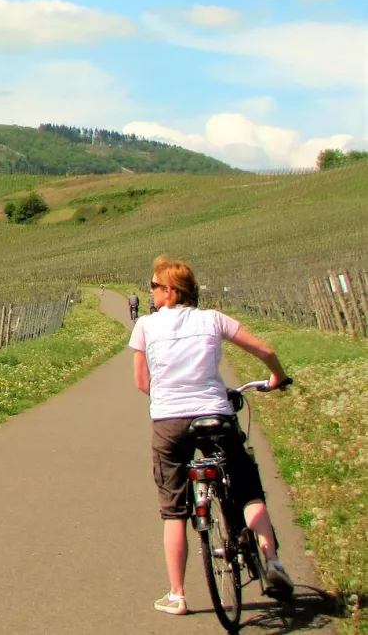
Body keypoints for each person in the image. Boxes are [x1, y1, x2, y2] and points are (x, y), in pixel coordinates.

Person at [130, 256, 293, 615]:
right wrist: (277, 376)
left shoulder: (145, 326)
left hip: (169, 423)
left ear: (171, 292)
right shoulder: (213, 320)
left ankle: (177, 595)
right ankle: (273, 562)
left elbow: (143, 383)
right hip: (214, 414)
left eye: (155, 287)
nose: (152, 293)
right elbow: (264, 350)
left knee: (174, 510)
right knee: (247, 486)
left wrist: (169, 400)